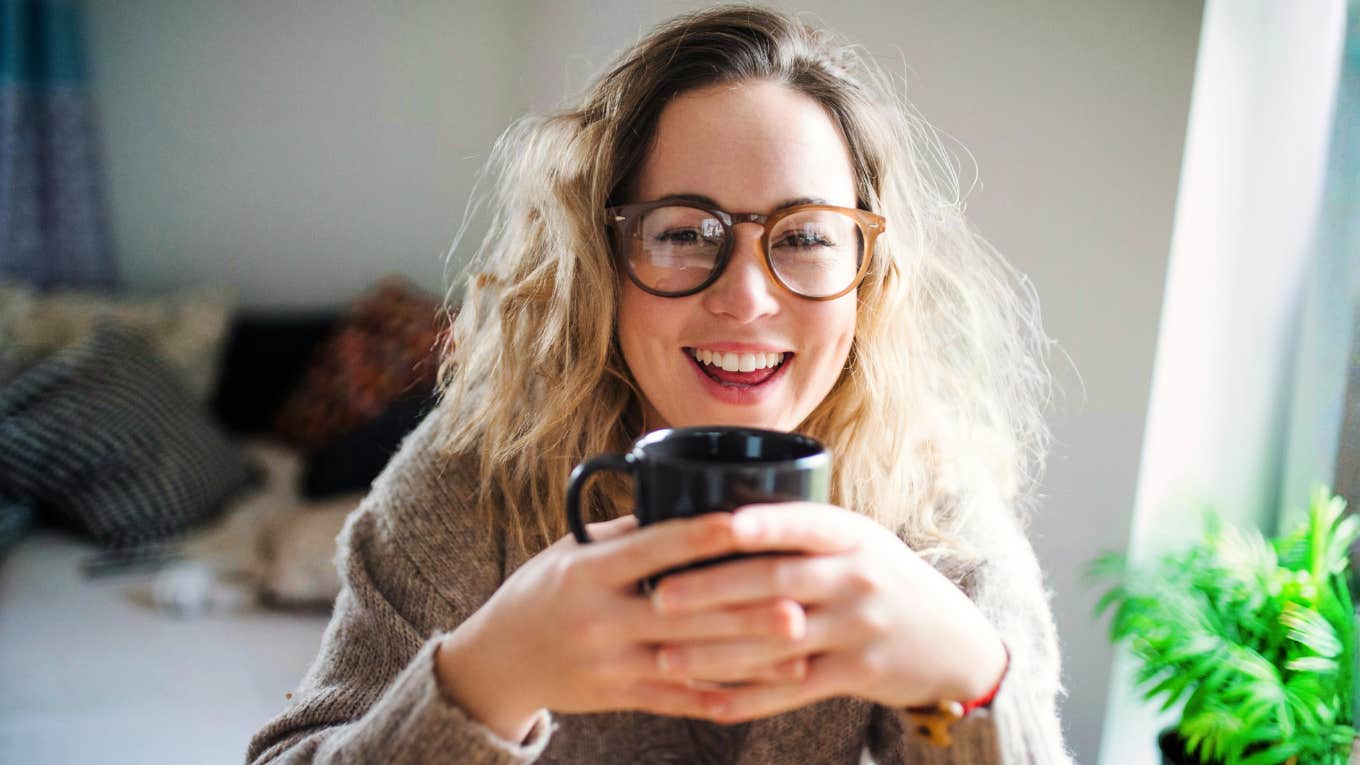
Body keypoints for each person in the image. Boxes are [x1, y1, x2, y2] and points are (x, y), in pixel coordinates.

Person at [247, 5, 1072, 763]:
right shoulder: (474, 484)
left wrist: (970, 682)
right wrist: (486, 678)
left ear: (867, 273)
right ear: (601, 260)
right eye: (683, 230)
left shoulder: (934, 518)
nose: (746, 296)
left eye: (807, 236)